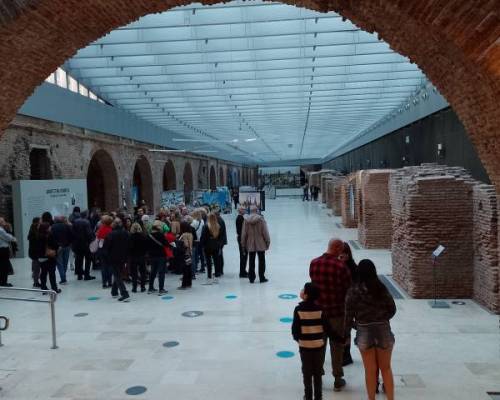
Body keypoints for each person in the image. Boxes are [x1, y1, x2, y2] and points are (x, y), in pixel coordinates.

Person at [345, 259, 396, 400]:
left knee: (370, 370)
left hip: (364, 332)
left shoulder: (353, 291)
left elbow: (348, 316)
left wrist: (354, 327)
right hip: (383, 330)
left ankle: (371, 398)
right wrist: (383, 319)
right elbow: (392, 309)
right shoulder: (381, 287)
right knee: (386, 368)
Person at [309, 238, 352, 392]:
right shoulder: (341, 267)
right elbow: (348, 291)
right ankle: (337, 378)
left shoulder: (314, 263)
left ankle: (317, 375)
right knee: (337, 346)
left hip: (318, 313)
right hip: (336, 313)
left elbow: (313, 287)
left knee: (319, 345)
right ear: (338, 248)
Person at [292, 282, 328, 400]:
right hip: (318, 347)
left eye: (304, 290)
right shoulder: (320, 310)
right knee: (317, 374)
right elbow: (327, 328)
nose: (302, 290)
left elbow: (295, 331)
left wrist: (301, 340)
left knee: (307, 374)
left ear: (306, 295)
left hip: (305, 348)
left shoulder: (298, 310)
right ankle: (318, 396)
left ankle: (308, 396)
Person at [102, 218, 130, 302]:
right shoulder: (126, 233)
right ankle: (114, 291)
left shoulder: (110, 234)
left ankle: (124, 293)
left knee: (117, 275)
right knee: (118, 274)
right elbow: (129, 245)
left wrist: (106, 257)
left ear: (114, 224)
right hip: (123, 257)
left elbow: (106, 248)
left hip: (113, 258)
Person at [241, 205, 270, 283]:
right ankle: (261, 277)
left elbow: (244, 234)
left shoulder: (246, 220)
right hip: (260, 243)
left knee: (251, 261)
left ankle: (251, 278)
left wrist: (243, 244)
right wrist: (267, 242)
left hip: (250, 243)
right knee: (262, 261)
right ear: (257, 211)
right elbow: (265, 233)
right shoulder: (261, 220)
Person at [340, 241, 357, 366]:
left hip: (349, 305)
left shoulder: (353, 268)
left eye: (344, 254)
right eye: (340, 254)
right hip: (338, 303)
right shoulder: (335, 266)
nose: (342, 256)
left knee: (346, 331)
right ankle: (340, 354)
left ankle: (346, 355)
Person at [36, 222, 61, 293]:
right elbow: (55, 245)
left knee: (43, 273)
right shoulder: (49, 236)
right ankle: (54, 288)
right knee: (52, 273)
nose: (50, 228)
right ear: (46, 229)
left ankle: (43, 288)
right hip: (49, 257)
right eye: (49, 227)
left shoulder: (38, 236)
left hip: (40, 257)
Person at [200, 212, 223, 284]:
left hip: (207, 246)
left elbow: (203, 237)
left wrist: (202, 245)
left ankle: (209, 277)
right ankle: (216, 277)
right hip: (216, 245)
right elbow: (220, 237)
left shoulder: (206, 226)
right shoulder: (218, 226)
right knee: (216, 261)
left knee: (208, 262)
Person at [71, 210, 95, 280]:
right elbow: (89, 233)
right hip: (86, 244)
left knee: (79, 259)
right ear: (86, 215)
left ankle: (79, 275)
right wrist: (92, 240)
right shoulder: (86, 222)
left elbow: (72, 233)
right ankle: (87, 275)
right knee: (88, 259)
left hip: (77, 244)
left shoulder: (75, 221)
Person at [147, 220, 169, 295]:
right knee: (161, 272)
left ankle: (150, 288)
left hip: (152, 256)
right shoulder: (161, 235)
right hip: (161, 255)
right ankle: (161, 289)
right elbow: (166, 244)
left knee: (153, 271)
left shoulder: (148, 235)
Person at [51, 216, 73, 284]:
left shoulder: (53, 227)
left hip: (58, 247)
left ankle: (63, 279)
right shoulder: (67, 226)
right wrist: (69, 243)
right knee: (65, 262)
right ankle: (64, 276)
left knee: (60, 263)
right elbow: (71, 235)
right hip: (67, 246)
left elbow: (52, 237)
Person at [129, 222, 148, 293]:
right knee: (143, 272)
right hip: (142, 256)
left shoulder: (130, 237)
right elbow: (146, 247)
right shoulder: (143, 236)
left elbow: (129, 248)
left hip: (133, 257)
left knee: (134, 273)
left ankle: (134, 287)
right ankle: (142, 287)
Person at [96, 215, 113, 288]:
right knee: (110, 266)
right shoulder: (111, 229)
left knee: (103, 266)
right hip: (109, 250)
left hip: (101, 249)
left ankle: (104, 283)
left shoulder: (101, 229)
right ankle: (109, 282)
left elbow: (98, 238)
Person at [0, 217, 17, 287]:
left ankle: (2, 281)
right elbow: (7, 237)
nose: (4, 222)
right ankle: (4, 282)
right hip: (3, 249)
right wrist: (13, 239)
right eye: (3, 221)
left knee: (2, 265)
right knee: (4, 266)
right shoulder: (1, 230)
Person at [178, 221, 193, 290]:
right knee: (188, 268)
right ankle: (189, 283)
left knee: (185, 269)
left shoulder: (184, 235)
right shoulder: (190, 234)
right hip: (189, 253)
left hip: (185, 254)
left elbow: (186, 244)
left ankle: (184, 285)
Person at [191, 209, 205, 274]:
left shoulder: (194, 222)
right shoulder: (202, 221)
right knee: (201, 254)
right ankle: (203, 267)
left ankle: (195, 268)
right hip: (201, 239)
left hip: (195, 239)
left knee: (195, 255)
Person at [28, 217, 41, 287]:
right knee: (36, 268)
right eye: (40, 221)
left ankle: (35, 280)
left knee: (36, 267)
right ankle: (36, 282)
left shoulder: (32, 230)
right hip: (35, 253)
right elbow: (36, 243)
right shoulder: (34, 232)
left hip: (33, 252)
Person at [235, 207, 248, 278]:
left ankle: (243, 270)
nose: (245, 210)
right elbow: (242, 230)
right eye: (244, 209)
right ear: (240, 211)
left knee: (244, 256)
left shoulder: (240, 218)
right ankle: (242, 272)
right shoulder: (240, 219)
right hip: (242, 239)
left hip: (241, 238)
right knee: (243, 255)